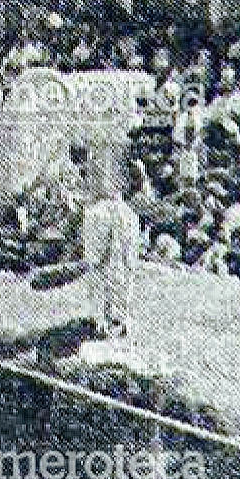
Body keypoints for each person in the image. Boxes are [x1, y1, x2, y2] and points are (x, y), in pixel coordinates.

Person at [79, 141, 142, 338]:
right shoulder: (120, 147)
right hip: (122, 209)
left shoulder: (96, 150)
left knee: (98, 266)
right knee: (125, 265)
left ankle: (101, 320)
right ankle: (121, 318)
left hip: (100, 209)